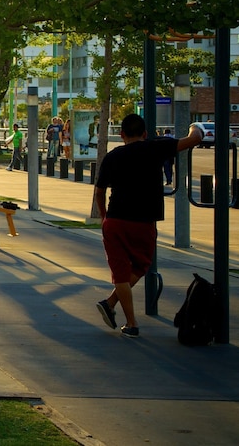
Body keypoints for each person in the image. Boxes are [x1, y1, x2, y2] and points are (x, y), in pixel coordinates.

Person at [94, 114, 203, 338]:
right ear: (144, 134)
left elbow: (99, 191)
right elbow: (194, 138)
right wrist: (194, 126)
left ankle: (119, 311)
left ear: (121, 134)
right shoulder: (155, 148)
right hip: (143, 222)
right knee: (140, 267)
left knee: (120, 273)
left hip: (115, 220)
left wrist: (104, 217)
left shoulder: (112, 156)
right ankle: (123, 316)